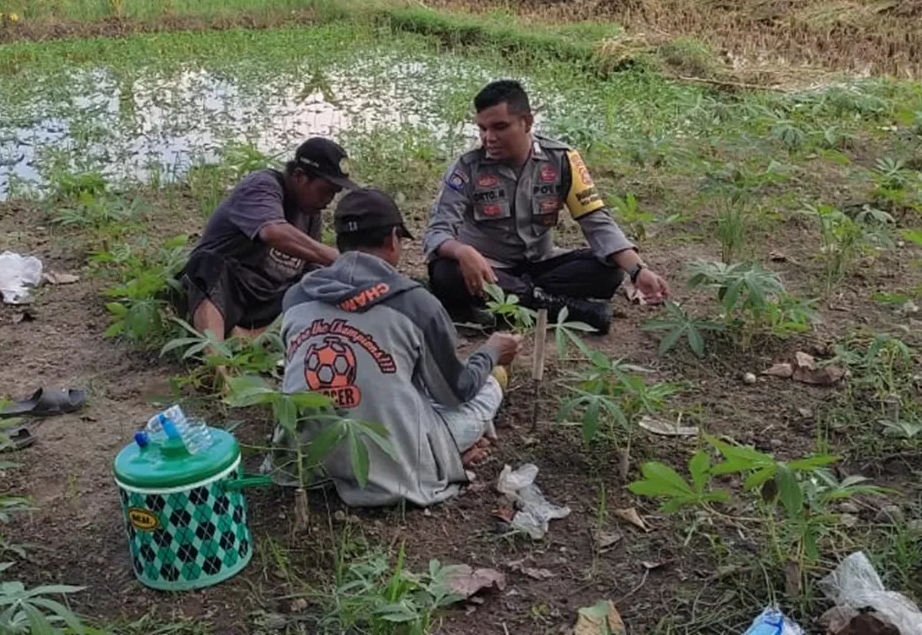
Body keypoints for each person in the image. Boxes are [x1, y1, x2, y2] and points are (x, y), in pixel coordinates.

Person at [279, 188, 523, 507]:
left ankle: (445, 452)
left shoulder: (296, 297)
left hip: (304, 457)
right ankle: (442, 458)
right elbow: (457, 392)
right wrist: (491, 352)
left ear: (338, 240)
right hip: (391, 465)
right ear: (392, 239)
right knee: (486, 387)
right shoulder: (416, 303)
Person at [424, 80, 670, 334]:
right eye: (483, 129)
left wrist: (638, 270)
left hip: (541, 264)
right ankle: (558, 306)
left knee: (610, 268)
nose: (489, 138)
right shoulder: (467, 167)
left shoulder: (561, 159)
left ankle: (519, 301)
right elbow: (437, 232)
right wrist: (463, 251)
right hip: (488, 267)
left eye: (500, 127)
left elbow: (596, 221)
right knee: (446, 273)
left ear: (527, 123)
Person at [179, 137, 356, 343]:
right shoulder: (263, 185)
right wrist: (339, 258)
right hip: (227, 291)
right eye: (325, 191)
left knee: (321, 282)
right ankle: (214, 353)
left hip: (268, 298)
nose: (328, 201)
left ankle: (252, 336)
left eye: (334, 194)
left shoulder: (310, 213)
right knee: (206, 263)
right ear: (299, 176)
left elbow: (311, 265)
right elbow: (272, 232)